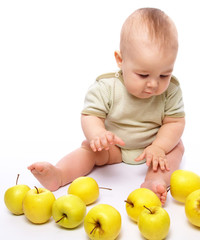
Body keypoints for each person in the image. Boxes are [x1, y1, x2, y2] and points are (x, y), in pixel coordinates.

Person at [28, 7, 185, 205]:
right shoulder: (106, 86)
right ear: (121, 60)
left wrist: (160, 146)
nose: (154, 84)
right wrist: (98, 135)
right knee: (89, 151)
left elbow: (175, 122)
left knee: (176, 148)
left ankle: (155, 180)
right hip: (114, 147)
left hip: (153, 148)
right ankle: (59, 175)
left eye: (164, 75)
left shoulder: (171, 90)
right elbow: (90, 115)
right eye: (143, 75)